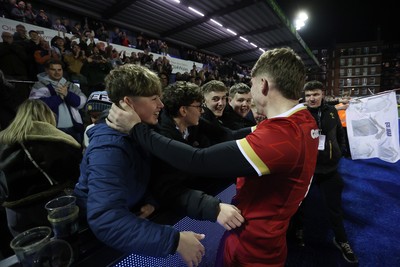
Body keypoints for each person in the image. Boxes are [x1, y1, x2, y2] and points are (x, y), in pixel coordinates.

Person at [106, 47, 320, 267]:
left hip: (253, 245)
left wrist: (136, 128)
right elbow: (227, 135)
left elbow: (198, 161)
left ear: (263, 84)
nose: (251, 89)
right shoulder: (303, 121)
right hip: (268, 236)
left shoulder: (280, 135)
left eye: (252, 82)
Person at [73, 64, 206, 267]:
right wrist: (174, 240)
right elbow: (105, 218)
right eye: (153, 99)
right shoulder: (108, 149)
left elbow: (149, 175)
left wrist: (151, 200)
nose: (161, 104)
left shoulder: (140, 132)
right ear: (128, 103)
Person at [153, 81, 244, 226]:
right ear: (183, 111)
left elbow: (226, 134)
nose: (202, 111)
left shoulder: (193, 123)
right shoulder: (162, 137)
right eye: (198, 107)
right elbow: (168, 186)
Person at [289, 80, 358, 263]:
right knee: (299, 205)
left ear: (322, 94)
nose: (312, 98)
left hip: (329, 168)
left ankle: (341, 239)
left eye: (316, 94)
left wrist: (339, 151)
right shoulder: (299, 114)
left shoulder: (332, 111)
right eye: (309, 95)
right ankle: (298, 231)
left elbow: (340, 135)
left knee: (334, 208)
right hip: (307, 170)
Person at [0, 99, 82, 236]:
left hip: (15, 213)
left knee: (31, 253)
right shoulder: (59, 140)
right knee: (65, 249)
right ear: (48, 116)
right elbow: (76, 174)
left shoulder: (3, 142)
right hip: (56, 205)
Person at [29, 59, 87, 144]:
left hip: (74, 129)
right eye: (53, 69)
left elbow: (81, 103)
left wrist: (67, 95)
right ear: (47, 70)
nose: (57, 72)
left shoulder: (70, 85)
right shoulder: (39, 85)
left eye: (59, 70)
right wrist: (59, 98)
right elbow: (35, 106)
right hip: (52, 130)